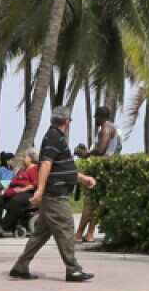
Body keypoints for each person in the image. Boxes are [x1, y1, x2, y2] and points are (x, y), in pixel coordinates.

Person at [9, 106, 96, 282]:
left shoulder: (54, 137)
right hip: (55, 195)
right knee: (66, 227)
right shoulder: (54, 138)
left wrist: (83, 178)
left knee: (41, 234)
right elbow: (46, 165)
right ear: (67, 121)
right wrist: (40, 190)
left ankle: (20, 266)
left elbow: (62, 168)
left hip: (53, 193)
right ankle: (73, 270)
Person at [74, 106, 120, 244]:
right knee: (98, 203)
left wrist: (86, 154)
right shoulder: (112, 127)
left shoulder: (105, 128)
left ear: (100, 117)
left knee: (89, 203)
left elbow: (100, 150)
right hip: (107, 168)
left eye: (96, 117)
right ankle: (89, 234)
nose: (94, 119)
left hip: (100, 168)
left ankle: (78, 234)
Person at [0, 150, 40, 238]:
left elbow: (34, 184)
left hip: (28, 193)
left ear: (31, 158)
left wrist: (22, 189)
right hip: (15, 191)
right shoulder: (22, 169)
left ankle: (4, 226)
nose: (23, 159)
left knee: (16, 201)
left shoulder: (34, 169)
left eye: (25, 157)